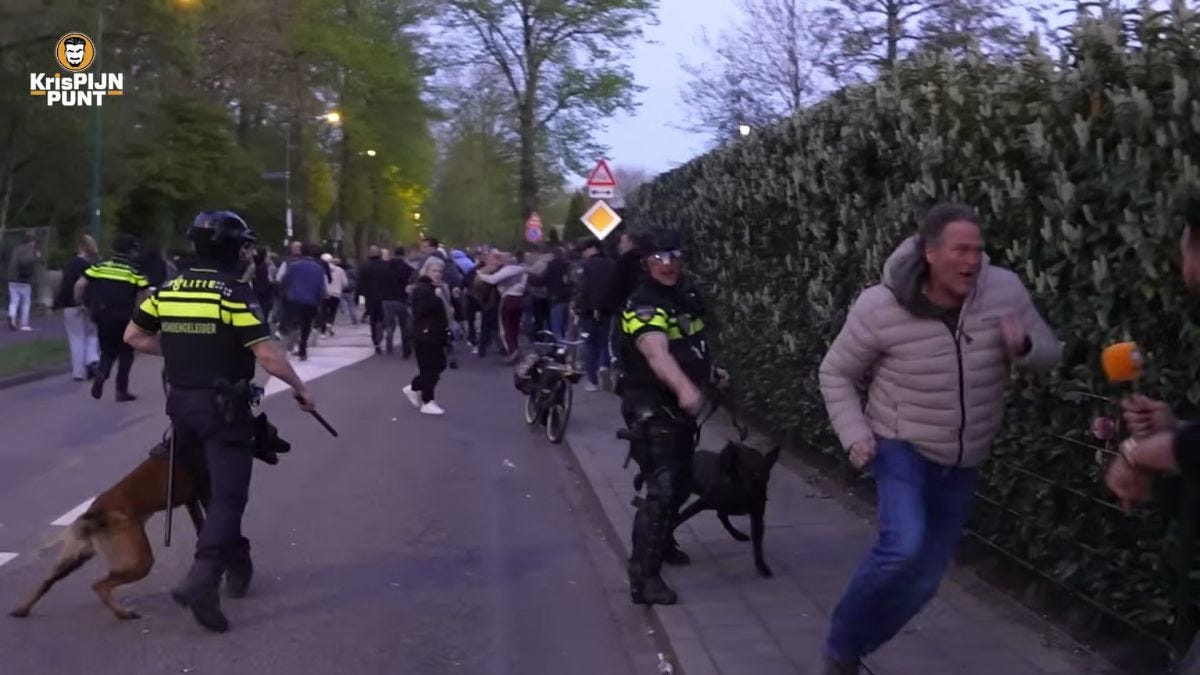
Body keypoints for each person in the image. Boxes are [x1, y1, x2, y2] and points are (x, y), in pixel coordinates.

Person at [817, 203, 1061, 674]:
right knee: (903, 546)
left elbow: (1050, 353)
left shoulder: (1003, 291)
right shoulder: (881, 305)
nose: (971, 261)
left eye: (978, 250)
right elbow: (835, 371)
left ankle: (848, 651)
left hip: (964, 457)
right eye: (959, 250)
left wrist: (1024, 348)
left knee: (925, 580)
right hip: (900, 444)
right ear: (931, 253)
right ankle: (839, 652)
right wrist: (855, 436)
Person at [123, 210, 316, 633]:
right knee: (228, 498)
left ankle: (233, 569)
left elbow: (133, 337)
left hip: (181, 405)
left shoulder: (167, 289)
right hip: (224, 410)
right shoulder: (234, 293)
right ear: (234, 247)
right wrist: (301, 389)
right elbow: (266, 353)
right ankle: (203, 577)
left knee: (207, 491)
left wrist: (176, 352)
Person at [617, 227, 726, 606]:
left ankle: (660, 545)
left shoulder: (684, 296)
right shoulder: (643, 303)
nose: (668, 264)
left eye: (674, 256)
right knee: (662, 490)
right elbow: (656, 353)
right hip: (653, 408)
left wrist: (709, 372)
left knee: (678, 486)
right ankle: (643, 578)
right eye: (660, 258)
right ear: (646, 263)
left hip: (676, 414)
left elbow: (691, 342)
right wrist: (685, 389)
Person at [75, 234, 149, 402]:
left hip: (103, 315)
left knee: (107, 351)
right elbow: (144, 294)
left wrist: (81, 303)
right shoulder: (134, 271)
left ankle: (102, 372)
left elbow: (80, 285)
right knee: (127, 353)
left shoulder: (100, 266)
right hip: (125, 317)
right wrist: (142, 314)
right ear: (131, 251)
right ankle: (121, 391)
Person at [403, 256, 450, 415]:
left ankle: (414, 388)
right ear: (426, 270)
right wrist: (436, 298)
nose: (437, 274)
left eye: (439, 271)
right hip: (426, 335)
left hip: (433, 334)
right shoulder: (424, 289)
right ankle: (427, 401)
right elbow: (420, 310)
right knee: (431, 368)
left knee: (437, 365)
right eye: (434, 271)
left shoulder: (432, 287)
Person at [55, 234, 100, 382]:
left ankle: (78, 372)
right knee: (92, 336)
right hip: (88, 306)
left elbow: (65, 285)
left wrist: (57, 304)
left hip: (70, 306)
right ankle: (92, 361)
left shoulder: (70, 264)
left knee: (76, 339)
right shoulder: (92, 266)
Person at [575, 238, 618, 391]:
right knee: (606, 341)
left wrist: (578, 308)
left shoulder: (584, 266)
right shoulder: (612, 264)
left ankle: (592, 381)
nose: (583, 253)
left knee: (589, 344)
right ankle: (604, 365)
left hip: (587, 311)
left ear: (591, 248)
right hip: (608, 308)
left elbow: (582, 288)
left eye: (584, 250)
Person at [279, 244, 325, 361]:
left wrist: (283, 294)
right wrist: (319, 301)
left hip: (294, 299)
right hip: (310, 301)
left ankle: (290, 346)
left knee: (293, 323)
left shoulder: (294, 266)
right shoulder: (318, 268)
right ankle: (302, 349)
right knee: (306, 325)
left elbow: (284, 281)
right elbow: (321, 287)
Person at [7, 232, 40, 331]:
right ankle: (24, 324)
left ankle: (12, 316)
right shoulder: (31, 251)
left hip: (12, 280)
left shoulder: (17, 249)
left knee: (14, 301)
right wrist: (36, 257)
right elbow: (28, 263)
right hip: (24, 281)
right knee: (26, 302)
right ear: (32, 241)